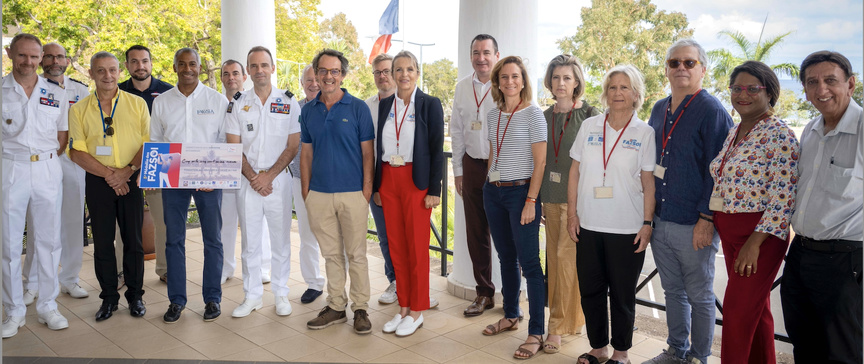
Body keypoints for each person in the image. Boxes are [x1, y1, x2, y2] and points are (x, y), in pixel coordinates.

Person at [642, 39, 732, 364]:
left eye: (689, 63)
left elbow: (719, 171)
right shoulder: (657, 108)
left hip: (694, 224)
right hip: (662, 219)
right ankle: (675, 351)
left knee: (700, 297)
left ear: (703, 69)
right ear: (666, 69)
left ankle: (698, 357)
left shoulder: (712, 111)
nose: (681, 68)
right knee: (672, 292)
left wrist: (707, 220)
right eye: (674, 62)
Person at [709, 60, 799, 364]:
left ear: (770, 92)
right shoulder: (735, 131)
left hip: (759, 238)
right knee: (756, 314)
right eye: (736, 88)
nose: (742, 94)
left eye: (752, 88)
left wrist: (753, 244)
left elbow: (783, 198)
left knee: (735, 315)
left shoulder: (779, 135)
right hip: (731, 233)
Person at [568, 65, 655, 364]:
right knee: (590, 290)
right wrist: (572, 215)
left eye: (625, 87)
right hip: (589, 223)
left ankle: (621, 352)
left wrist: (647, 224)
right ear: (605, 93)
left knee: (622, 295)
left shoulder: (644, 132)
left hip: (627, 226)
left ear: (636, 94)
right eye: (613, 87)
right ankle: (597, 348)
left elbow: (647, 182)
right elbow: (575, 172)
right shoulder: (589, 126)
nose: (618, 93)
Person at [781, 51, 863, 364]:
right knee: (804, 344)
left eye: (831, 80)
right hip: (801, 255)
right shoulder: (811, 131)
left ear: (850, 84)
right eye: (813, 82)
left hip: (844, 261)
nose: (821, 89)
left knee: (843, 351)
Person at [68, 51, 149, 322]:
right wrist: (110, 176)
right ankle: (109, 299)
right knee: (102, 243)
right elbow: (76, 152)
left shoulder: (137, 105)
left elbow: (147, 144)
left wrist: (125, 173)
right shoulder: (78, 109)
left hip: (131, 179)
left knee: (134, 242)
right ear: (91, 73)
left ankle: (136, 296)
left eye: (112, 70)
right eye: (100, 70)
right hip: (99, 181)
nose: (107, 76)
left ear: (119, 71)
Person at [151, 48, 228, 323]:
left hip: (208, 178)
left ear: (199, 67)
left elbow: (222, 140)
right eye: (181, 64)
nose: (187, 69)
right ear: (174, 68)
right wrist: (159, 176)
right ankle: (176, 301)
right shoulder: (161, 102)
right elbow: (157, 140)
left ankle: (212, 298)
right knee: (174, 240)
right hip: (174, 178)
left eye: (192, 64)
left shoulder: (217, 100)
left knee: (213, 239)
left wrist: (212, 177)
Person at [1, 33, 70, 338]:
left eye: (34, 56)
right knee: (9, 244)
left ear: (41, 57)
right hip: (10, 167)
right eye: (21, 55)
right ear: (9, 53)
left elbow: (62, 137)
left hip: (46, 167)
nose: (28, 62)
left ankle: (47, 306)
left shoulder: (55, 93)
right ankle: (14, 311)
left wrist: (46, 161)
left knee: (48, 241)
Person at [301, 49, 374, 335]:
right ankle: (335, 305)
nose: (328, 76)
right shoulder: (308, 111)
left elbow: (368, 154)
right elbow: (305, 155)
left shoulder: (357, 108)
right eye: (323, 71)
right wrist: (307, 192)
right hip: (318, 194)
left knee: (356, 254)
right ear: (316, 74)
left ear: (342, 75)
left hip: (353, 193)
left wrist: (366, 190)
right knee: (331, 254)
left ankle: (361, 309)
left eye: (334, 71)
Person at [372, 50, 444, 337]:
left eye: (409, 69)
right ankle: (402, 307)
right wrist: (377, 185)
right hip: (389, 178)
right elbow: (379, 147)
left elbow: (436, 148)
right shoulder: (385, 104)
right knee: (397, 247)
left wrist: (434, 190)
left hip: (416, 181)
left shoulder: (429, 104)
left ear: (417, 72)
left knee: (416, 248)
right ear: (391, 73)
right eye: (397, 69)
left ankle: (417, 311)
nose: (403, 75)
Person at [479, 56, 547, 360]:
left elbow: (541, 161)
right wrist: (488, 185)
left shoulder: (533, 115)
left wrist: (532, 200)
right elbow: (494, 152)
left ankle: (536, 332)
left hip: (522, 194)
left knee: (530, 264)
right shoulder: (493, 115)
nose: (509, 81)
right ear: (497, 82)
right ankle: (510, 314)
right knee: (505, 257)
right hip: (494, 192)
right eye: (504, 77)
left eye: (515, 76)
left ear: (523, 80)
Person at [225, 46, 300, 319]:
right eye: (254, 66)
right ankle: (252, 295)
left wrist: (269, 176)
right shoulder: (237, 103)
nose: (259, 71)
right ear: (248, 72)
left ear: (273, 68)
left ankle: (281, 293)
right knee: (250, 244)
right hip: (249, 181)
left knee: (280, 241)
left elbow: (293, 146)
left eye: (264, 65)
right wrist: (255, 178)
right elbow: (234, 145)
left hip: (278, 181)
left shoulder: (288, 102)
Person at [21, 42, 91, 304]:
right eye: (48, 56)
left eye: (59, 56)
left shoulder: (81, 90)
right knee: (40, 224)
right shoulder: (32, 88)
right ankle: (34, 282)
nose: (54, 61)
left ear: (68, 60)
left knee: (74, 222)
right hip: (41, 161)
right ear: (41, 60)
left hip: (73, 161)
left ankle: (70, 278)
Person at [539, 54, 598, 354]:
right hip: (549, 197)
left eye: (567, 78)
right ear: (549, 81)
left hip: (576, 202)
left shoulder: (590, 115)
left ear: (576, 82)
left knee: (566, 261)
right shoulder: (544, 116)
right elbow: (538, 161)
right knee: (558, 261)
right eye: (556, 77)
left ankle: (556, 327)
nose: (560, 83)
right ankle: (572, 321)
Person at [451, 34, 501, 317]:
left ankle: (514, 293)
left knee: (506, 232)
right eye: (475, 52)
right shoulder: (461, 88)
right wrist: (458, 171)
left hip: (503, 167)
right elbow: (456, 131)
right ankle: (484, 293)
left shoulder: (506, 85)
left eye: (486, 52)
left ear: (496, 54)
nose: (481, 57)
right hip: (472, 165)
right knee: (476, 232)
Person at [117, 44, 173, 284]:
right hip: (126, 163)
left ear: (151, 63)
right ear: (127, 65)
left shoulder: (169, 92)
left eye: (144, 61)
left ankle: (165, 269)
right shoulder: (117, 92)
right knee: (123, 223)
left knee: (164, 221)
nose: (140, 66)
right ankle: (121, 271)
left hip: (160, 162)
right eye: (134, 61)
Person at [218, 59, 274, 286]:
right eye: (226, 73)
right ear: (221, 78)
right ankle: (225, 267)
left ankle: (263, 267)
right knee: (225, 221)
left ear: (244, 77)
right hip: (222, 172)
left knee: (257, 223)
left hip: (248, 173)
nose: (231, 77)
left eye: (235, 73)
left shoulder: (254, 101)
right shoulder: (216, 102)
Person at [286, 63, 326, 304]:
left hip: (332, 184)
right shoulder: (294, 110)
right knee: (307, 235)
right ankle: (313, 283)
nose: (313, 83)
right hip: (301, 182)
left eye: (316, 79)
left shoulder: (334, 106)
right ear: (302, 84)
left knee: (336, 236)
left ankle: (340, 284)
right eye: (308, 80)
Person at [365, 53, 399, 305]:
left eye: (386, 71)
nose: (382, 76)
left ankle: (413, 282)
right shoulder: (367, 106)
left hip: (405, 180)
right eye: (377, 72)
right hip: (376, 180)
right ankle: (394, 281)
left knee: (407, 234)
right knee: (385, 235)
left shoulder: (409, 103)